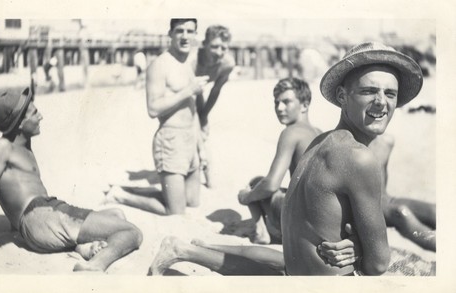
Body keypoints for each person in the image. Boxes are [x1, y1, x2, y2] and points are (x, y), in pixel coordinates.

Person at [148, 42, 423, 276]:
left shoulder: (320, 141)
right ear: (342, 96)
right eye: (368, 91)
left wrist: (357, 245)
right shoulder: (359, 157)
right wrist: (362, 249)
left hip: (296, 269)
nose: (381, 103)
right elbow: (378, 264)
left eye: (390, 94)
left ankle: (196, 247)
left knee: (277, 262)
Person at [0, 88, 143, 272]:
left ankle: (83, 247)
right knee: (132, 232)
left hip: (46, 215)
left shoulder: (22, 147)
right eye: (34, 113)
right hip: (41, 217)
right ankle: (95, 265)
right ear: (20, 123)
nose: (41, 116)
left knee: (116, 214)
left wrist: (15, 226)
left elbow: (13, 193)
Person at [106, 18, 208, 215]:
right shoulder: (159, 65)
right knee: (176, 211)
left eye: (190, 31)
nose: (185, 36)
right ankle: (120, 195)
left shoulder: (188, 62)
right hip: (171, 141)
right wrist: (188, 90)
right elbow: (152, 109)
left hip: (190, 139)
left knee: (193, 202)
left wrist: (200, 145)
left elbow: (192, 108)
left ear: (196, 34)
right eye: (180, 31)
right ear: (170, 34)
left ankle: (140, 190)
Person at [237, 77, 321, 244]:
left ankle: (261, 231)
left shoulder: (291, 132)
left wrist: (245, 197)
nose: (279, 108)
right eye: (276, 103)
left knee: (257, 183)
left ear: (304, 105)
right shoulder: (320, 132)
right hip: (322, 220)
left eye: (286, 102)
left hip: (301, 222)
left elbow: (271, 185)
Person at [370, 134, 436, 251]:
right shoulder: (342, 145)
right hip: (370, 206)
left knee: (434, 211)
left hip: (386, 199)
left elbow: (382, 179)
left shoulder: (385, 142)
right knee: (402, 214)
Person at [191, 25, 236, 188]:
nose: (219, 52)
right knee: (193, 130)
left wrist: (204, 114)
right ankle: (200, 161)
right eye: (214, 46)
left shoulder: (227, 64)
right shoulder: (192, 59)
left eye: (223, 48)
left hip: (198, 90)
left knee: (202, 126)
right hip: (183, 91)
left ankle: (208, 176)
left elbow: (216, 90)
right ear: (204, 44)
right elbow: (187, 93)